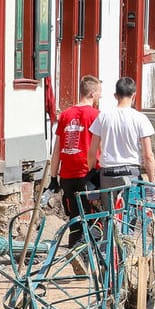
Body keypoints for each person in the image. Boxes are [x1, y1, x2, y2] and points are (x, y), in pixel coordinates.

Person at [44, 76, 103, 243]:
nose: (100, 97)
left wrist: (53, 177)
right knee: (93, 219)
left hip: (67, 177)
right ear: (92, 93)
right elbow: (101, 148)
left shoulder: (65, 115)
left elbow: (56, 150)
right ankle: (88, 256)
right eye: (99, 93)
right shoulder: (96, 116)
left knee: (75, 218)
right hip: (88, 175)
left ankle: (75, 252)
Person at [89, 77, 155, 200]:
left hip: (107, 174)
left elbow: (92, 151)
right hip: (131, 173)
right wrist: (152, 183)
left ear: (115, 96)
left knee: (108, 215)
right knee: (130, 215)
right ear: (134, 95)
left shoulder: (103, 117)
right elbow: (148, 155)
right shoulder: (140, 118)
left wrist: (92, 172)